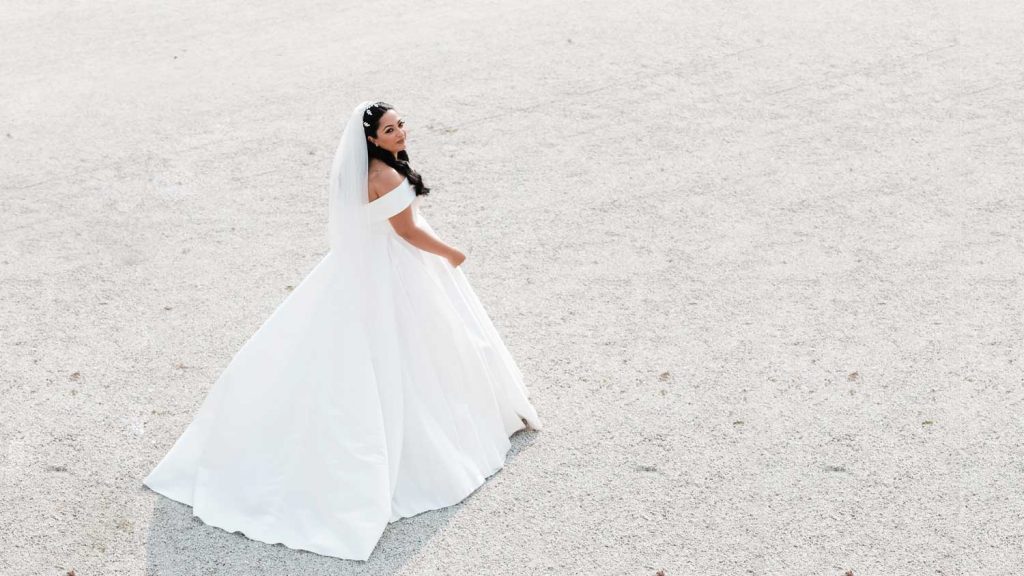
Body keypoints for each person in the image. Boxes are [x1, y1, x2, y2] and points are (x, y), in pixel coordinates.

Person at [142, 100, 543, 561]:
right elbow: (408, 232)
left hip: (362, 265)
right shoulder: (384, 176)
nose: (400, 133)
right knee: (414, 349)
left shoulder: (362, 172)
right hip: (395, 266)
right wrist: (451, 253)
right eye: (389, 130)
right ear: (371, 138)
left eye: (401, 124)